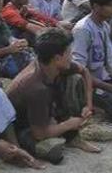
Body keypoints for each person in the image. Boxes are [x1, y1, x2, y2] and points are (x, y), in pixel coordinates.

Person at [7, 28, 100, 161]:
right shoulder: (35, 86)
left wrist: (88, 105)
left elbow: (84, 71)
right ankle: (63, 130)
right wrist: (68, 124)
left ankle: (72, 138)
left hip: (43, 113)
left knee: (75, 79)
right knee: (54, 152)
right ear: (57, 58)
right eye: (68, 53)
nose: (71, 56)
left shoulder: (49, 64)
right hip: (24, 127)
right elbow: (39, 134)